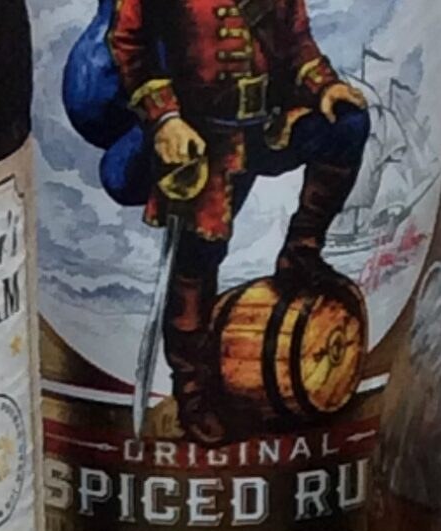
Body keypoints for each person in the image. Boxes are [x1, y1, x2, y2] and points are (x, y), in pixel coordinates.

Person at [102, 0, 370, 441]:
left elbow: (296, 39)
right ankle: (193, 393)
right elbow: (130, 41)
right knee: (197, 264)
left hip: (269, 125)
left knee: (346, 126)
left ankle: (301, 253)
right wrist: (165, 120)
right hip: (204, 140)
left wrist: (324, 86)